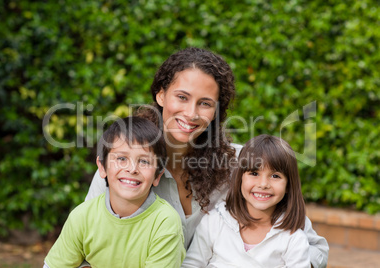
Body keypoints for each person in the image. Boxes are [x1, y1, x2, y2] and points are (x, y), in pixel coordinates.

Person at [86, 47, 329, 267]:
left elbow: (314, 248)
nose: (191, 113)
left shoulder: (244, 165)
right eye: (182, 97)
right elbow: (83, 248)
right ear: (161, 96)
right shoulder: (122, 168)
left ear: (216, 112)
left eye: (205, 103)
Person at [44, 117, 185, 268]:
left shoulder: (165, 222)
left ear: (157, 176)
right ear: (102, 167)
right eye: (122, 158)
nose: (132, 169)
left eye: (144, 161)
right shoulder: (82, 217)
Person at [182, 135, 313, 267]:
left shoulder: (292, 237)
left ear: (288, 186)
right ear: (240, 178)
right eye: (254, 173)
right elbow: (192, 264)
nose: (263, 184)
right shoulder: (215, 222)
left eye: (275, 176)